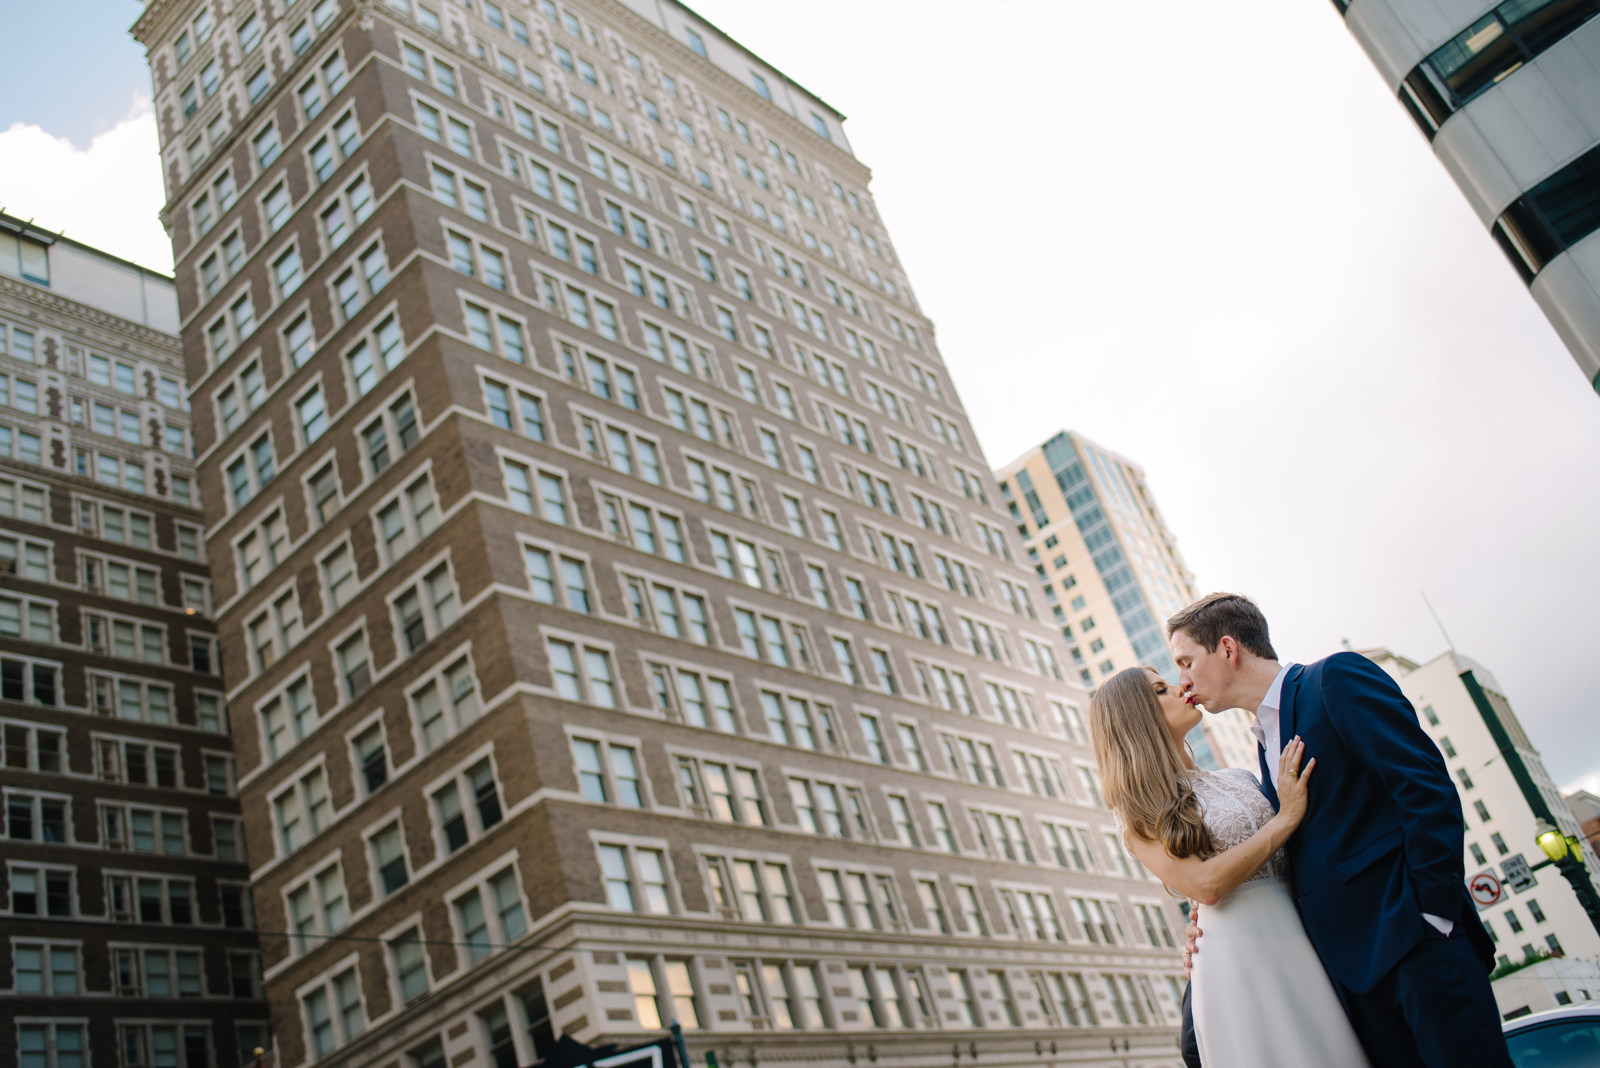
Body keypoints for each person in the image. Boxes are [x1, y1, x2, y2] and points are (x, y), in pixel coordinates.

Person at [1169, 593, 1510, 1068]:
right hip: (1350, 984)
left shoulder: (1334, 680)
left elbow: (1425, 788)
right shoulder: (1263, 748)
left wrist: (1433, 916)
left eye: (1186, 661)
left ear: (1228, 649)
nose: (1181, 680)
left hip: (1418, 948)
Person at [1090, 665, 1372, 1067]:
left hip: (1303, 932)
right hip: (1238, 957)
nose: (1180, 686)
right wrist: (1286, 818)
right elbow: (1204, 885)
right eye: (1161, 689)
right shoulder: (1136, 812)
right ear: (1136, 716)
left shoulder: (1240, 777)